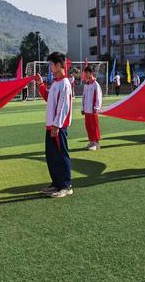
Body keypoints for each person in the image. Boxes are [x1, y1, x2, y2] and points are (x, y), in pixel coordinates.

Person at [36, 52, 73, 198]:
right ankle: (57, 183)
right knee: (52, 156)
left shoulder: (65, 84)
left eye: (51, 64)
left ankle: (66, 185)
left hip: (58, 127)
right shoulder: (56, 83)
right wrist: (40, 84)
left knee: (61, 155)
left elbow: (64, 107)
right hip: (50, 126)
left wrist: (57, 126)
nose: (50, 67)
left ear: (58, 65)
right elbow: (48, 98)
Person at [82, 65, 103, 151]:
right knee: (88, 126)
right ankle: (91, 141)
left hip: (93, 110)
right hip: (86, 110)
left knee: (94, 126)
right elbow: (83, 97)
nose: (85, 75)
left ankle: (96, 143)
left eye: (87, 73)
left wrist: (97, 107)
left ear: (91, 73)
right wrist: (82, 108)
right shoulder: (86, 85)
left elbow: (99, 96)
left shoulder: (95, 84)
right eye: (85, 73)